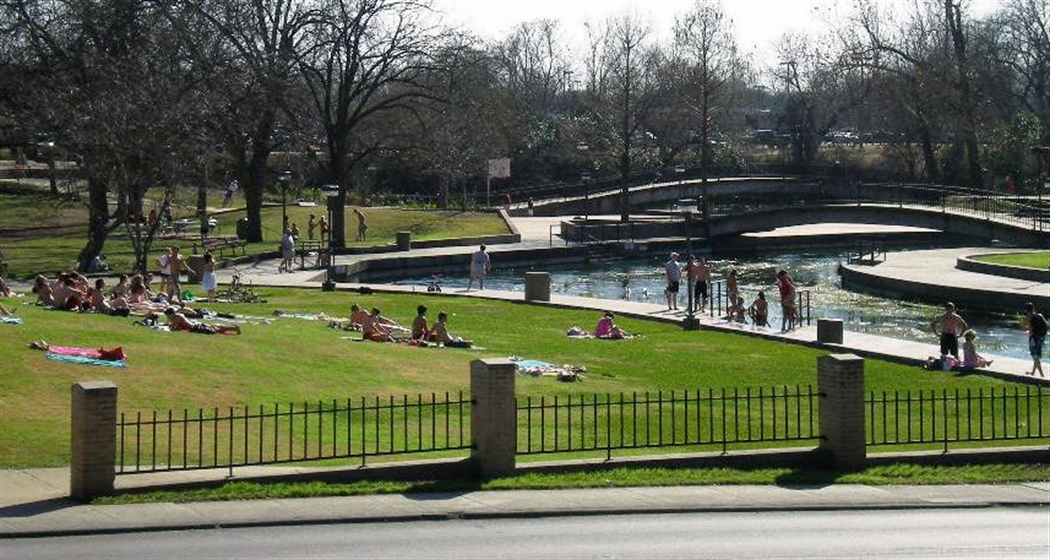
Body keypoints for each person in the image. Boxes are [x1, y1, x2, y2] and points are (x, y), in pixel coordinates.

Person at [164, 307, 240, 335]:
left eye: (168, 315)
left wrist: (169, 326)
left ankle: (234, 329)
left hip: (195, 328)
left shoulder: (177, 317)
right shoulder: (177, 315)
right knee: (215, 327)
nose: (168, 317)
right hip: (195, 325)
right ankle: (234, 328)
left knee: (216, 329)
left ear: (171, 314)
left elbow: (173, 328)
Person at [1022, 302, 1047, 377]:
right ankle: (1033, 372)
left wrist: (1023, 323)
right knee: (1037, 356)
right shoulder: (1039, 315)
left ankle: (1042, 375)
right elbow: (1046, 325)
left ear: (1026, 310)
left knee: (1035, 356)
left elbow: (1026, 329)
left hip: (1033, 339)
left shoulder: (1029, 317)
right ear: (1033, 308)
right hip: (1041, 337)